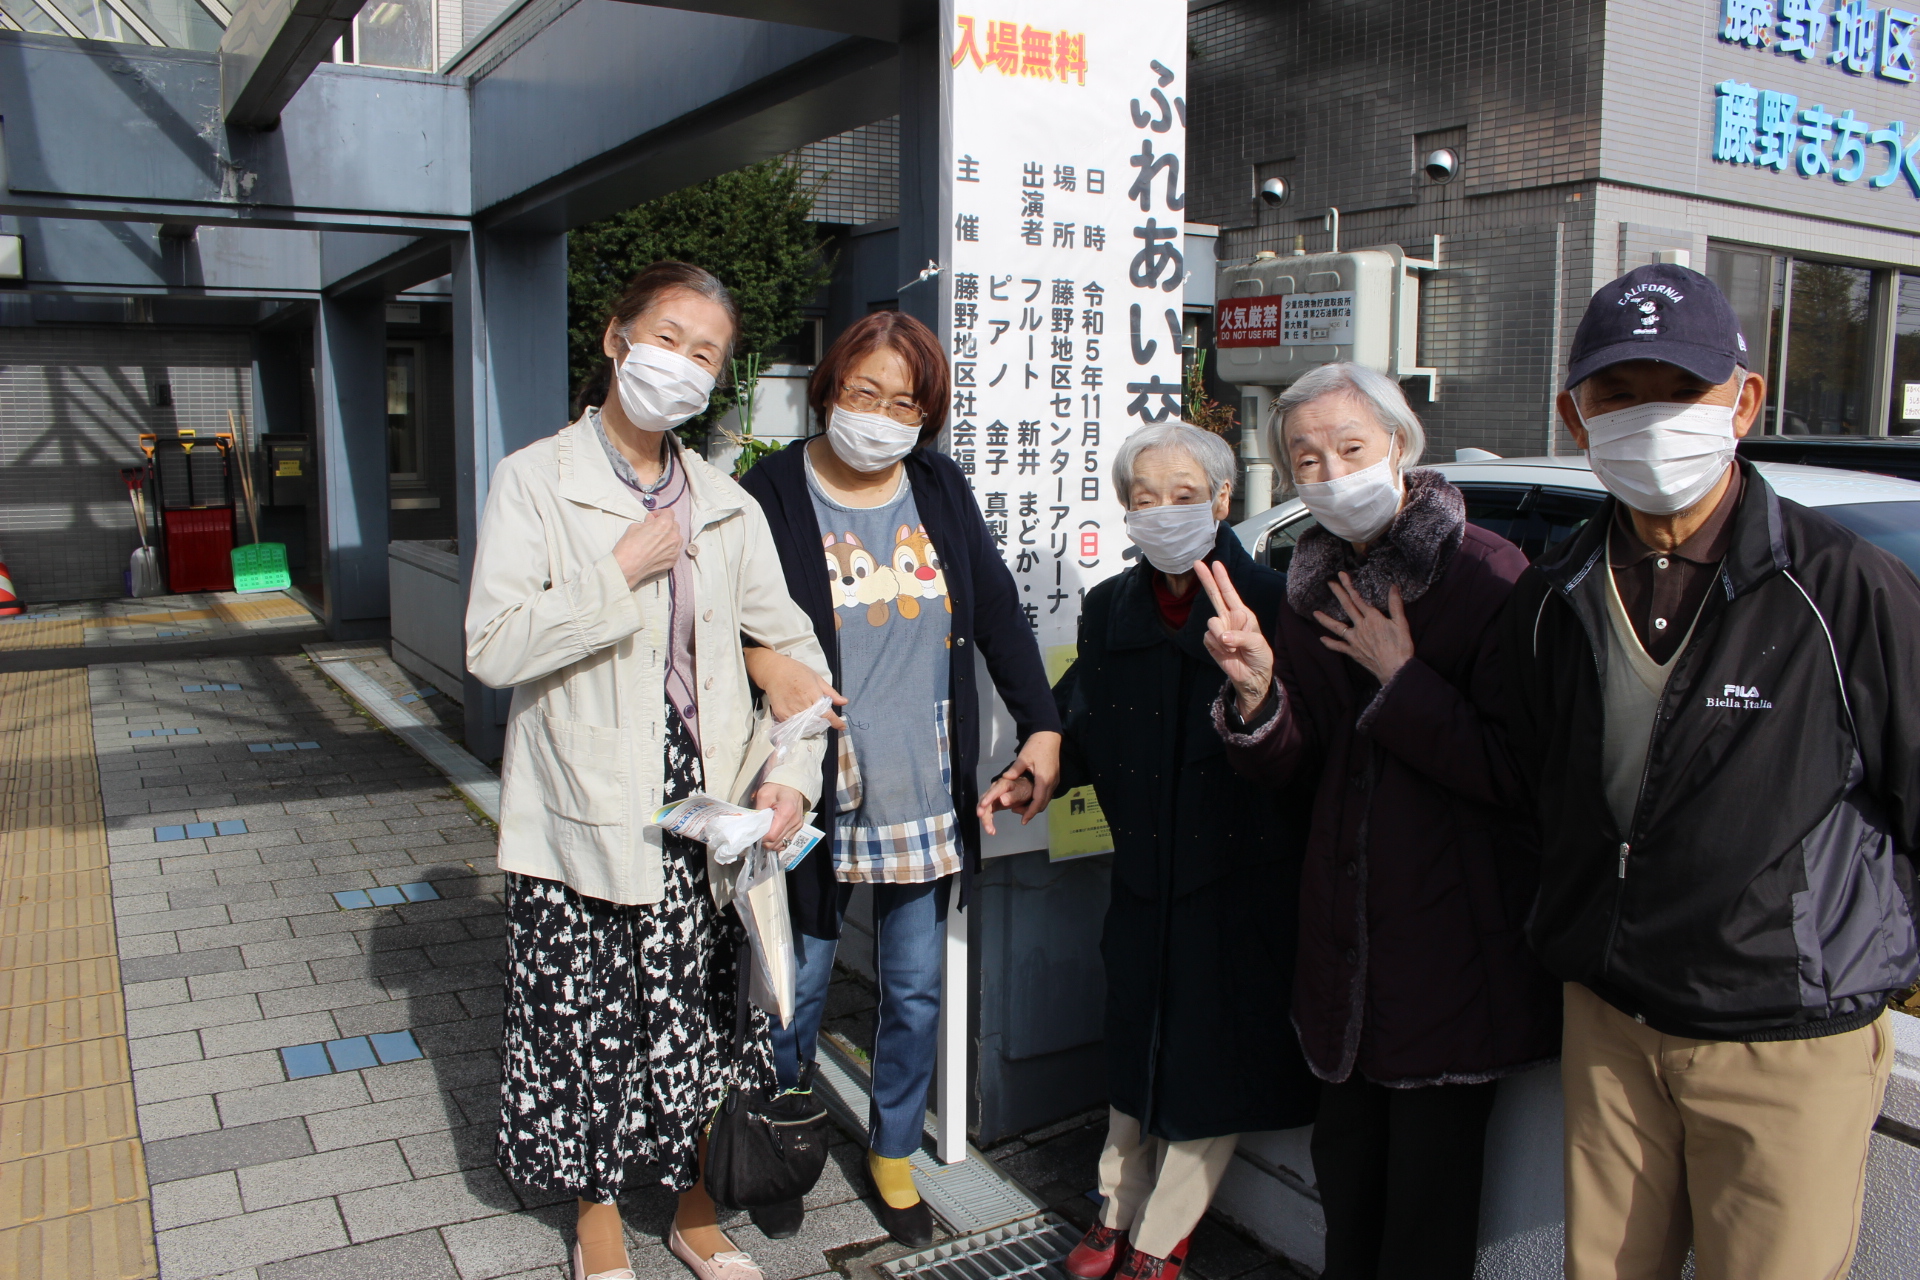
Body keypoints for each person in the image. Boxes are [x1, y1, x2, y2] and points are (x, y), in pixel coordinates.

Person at [1503, 262, 1920, 1280]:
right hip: (1612, 1018)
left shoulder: (1844, 588)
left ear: (1744, 400)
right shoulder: (1555, 592)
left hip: (1784, 1033)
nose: (1653, 418)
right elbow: (1538, 782)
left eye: (1682, 389)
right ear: (1574, 416)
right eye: (1619, 393)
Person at [466, 261, 833, 1280]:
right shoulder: (535, 480)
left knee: (703, 1017)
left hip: (705, 803)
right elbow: (492, 646)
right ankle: (595, 1217)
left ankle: (694, 1208)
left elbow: (795, 652)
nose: (682, 364)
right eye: (667, 337)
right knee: (588, 1018)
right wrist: (618, 572)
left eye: (705, 353)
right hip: (583, 801)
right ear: (616, 338)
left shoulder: (724, 504)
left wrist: (793, 776)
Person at [1196, 363, 1557, 1280]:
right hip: (1343, 960)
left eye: (1350, 448)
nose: (1330, 473)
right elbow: (1301, 768)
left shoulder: (1487, 576)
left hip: (1450, 960)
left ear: (1400, 445)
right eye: (1307, 459)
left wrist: (1404, 681)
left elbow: (1520, 774)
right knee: (1349, 1199)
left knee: (1426, 1222)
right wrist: (1259, 693)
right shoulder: (1313, 583)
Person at [734, 310, 1062, 1247]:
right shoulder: (769, 492)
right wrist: (762, 663)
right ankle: (782, 1136)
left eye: (904, 402)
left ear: (928, 414)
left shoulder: (938, 486)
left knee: (914, 992)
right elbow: (719, 623)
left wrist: (1043, 725)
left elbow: (997, 613)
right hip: (815, 783)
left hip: (924, 783)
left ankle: (892, 1153)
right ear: (829, 389)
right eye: (863, 392)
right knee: (794, 984)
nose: (880, 416)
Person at [977, 421, 1320, 1280]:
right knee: (1135, 1041)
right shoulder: (1111, 608)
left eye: (1184, 496)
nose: (1164, 512)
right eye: (1145, 498)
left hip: (1239, 877)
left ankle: (1162, 1237)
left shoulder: (1274, 602)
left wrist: (1259, 684)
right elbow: (1081, 721)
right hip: (1142, 873)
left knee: (1213, 1057)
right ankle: (1113, 1207)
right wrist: (1037, 769)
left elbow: (1308, 747)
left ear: (1223, 501)